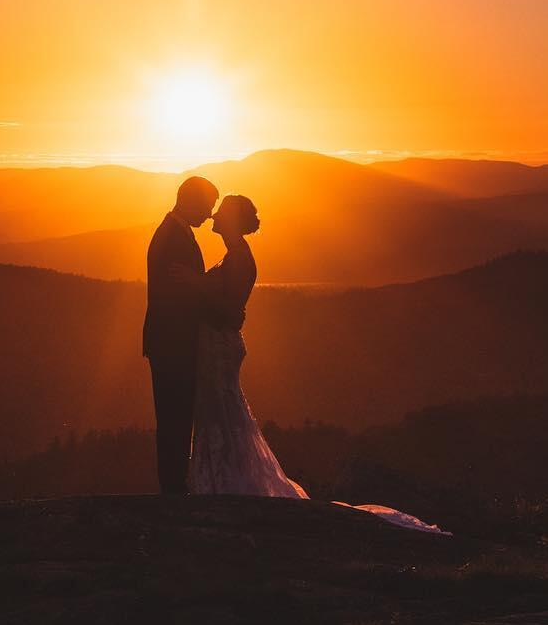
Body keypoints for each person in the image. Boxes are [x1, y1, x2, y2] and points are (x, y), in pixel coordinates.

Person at [188, 193, 448, 536]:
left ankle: (227, 487)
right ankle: (221, 484)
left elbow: (231, 311)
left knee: (224, 416)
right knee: (219, 416)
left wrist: (193, 286)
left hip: (221, 349)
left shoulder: (239, 258)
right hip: (215, 349)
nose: (214, 216)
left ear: (233, 221)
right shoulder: (233, 256)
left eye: (220, 211)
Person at [142, 174, 218, 494]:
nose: (209, 214)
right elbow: (175, 297)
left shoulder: (175, 232)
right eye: (207, 206)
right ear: (190, 201)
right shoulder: (173, 237)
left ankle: (175, 484)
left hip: (171, 343)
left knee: (176, 415)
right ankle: (173, 488)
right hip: (173, 344)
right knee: (174, 415)